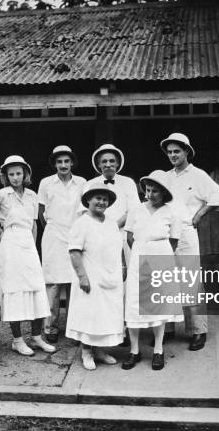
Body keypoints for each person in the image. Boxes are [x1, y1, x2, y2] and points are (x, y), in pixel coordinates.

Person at [161, 133, 219, 351]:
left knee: (190, 281)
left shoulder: (198, 175)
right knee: (165, 280)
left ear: (186, 151)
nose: (172, 155)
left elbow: (218, 197)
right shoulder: (166, 177)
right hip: (165, 232)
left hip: (186, 234)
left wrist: (198, 215)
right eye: (169, 152)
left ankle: (198, 331)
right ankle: (167, 330)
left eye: (176, 151)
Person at [0, 155, 56, 356]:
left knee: (36, 288)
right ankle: (17, 340)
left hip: (28, 245)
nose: (15, 177)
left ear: (25, 174)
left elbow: (34, 224)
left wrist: (33, 247)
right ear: (6, 176)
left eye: (18, 173)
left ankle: (36, 337)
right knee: (14, 290)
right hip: (10, 244)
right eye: (11, 174)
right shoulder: (1, 194)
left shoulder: (32, 195)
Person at [122, 170, 183, 370]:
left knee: (158, 304)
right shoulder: (136, 210)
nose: (150, 194)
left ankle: (158, 349)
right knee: (134, 303)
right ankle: (134, 351)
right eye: (147, 190)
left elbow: (173, 240)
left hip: (161, 257)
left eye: (155, 191)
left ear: (164, 193)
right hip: (139, 258)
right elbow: (130, 237)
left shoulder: (171, 212)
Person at [84, 143, 139, 345]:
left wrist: (112, 227)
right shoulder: (90, 184)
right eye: (104, 161)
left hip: (121, 237)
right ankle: (101, 331)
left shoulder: (128, 183)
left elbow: (133, 210)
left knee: (123, 284)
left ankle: (123, 329)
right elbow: (86, 213)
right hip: (98, 240)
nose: (108, 164)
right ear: (98, 164)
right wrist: (101, 231)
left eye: (112, 161)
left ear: (118, 163)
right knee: (101, 283)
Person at [67, 183, 124, 370]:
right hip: (90, 275)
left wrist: (122, 265)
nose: (101, 202)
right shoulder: (81, 223)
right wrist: (82, 277)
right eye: (97, 198)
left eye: (105, 199)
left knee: (105, 314)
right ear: (88, 201)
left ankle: (100, 351)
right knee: (89, 314)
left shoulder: (110, 223)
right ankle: (86, 352)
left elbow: (118, 246)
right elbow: (74, 252)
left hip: (109, 275)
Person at [38, 145, 86, 343]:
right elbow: (41, 213)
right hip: (53, 237)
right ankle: (50, 327)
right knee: (54, 284)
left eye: (67, 161)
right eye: (59, 162)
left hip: (75, 235)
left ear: (72, 162)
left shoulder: (82, 182)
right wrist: (53, 228)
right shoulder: (46, 183)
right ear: (54, 164)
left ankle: (76, 327)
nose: (63, 165)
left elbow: (85, 210)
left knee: (76, 282)